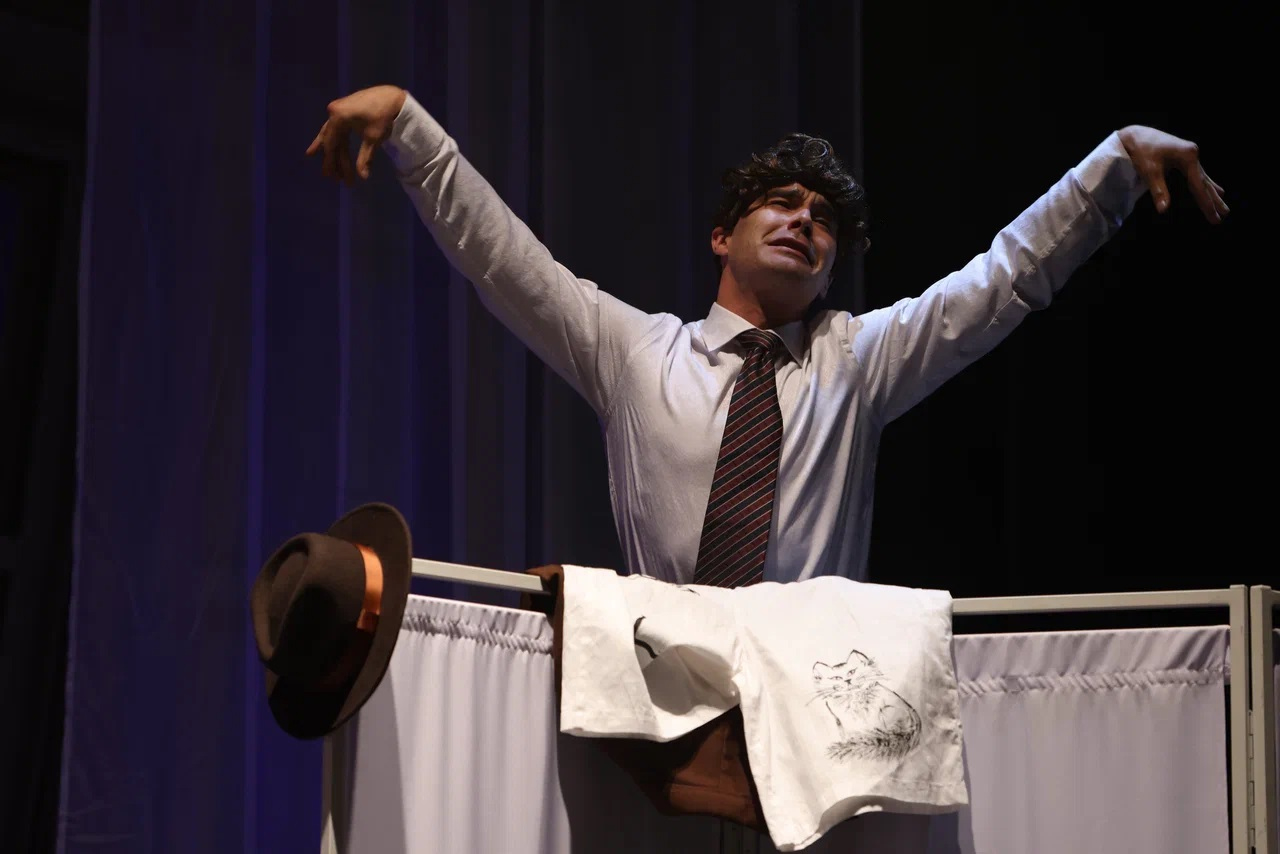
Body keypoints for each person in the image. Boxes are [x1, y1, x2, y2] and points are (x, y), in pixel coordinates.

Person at [306, 85, 1227, 586]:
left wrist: (1113, 167)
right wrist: (413, 133)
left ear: (830, 264)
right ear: (723, 236)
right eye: (781, 203)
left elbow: (1002, 279)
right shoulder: (636, 351)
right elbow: (508, 262)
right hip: (657, 694)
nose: (803, 221)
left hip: (810, 700)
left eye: (822, 219)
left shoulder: (857, 359)